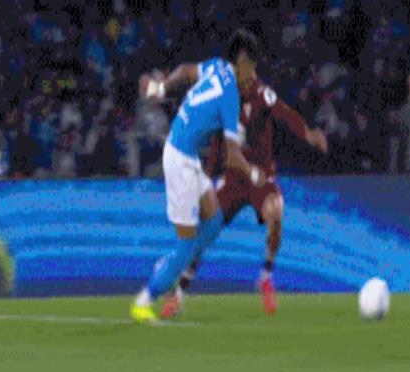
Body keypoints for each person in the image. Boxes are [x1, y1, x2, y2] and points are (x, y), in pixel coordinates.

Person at [161, 67, 328, 318]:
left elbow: (287, 116)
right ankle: (179, 294)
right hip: (233, 178)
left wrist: (310, 135)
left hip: (261, 176)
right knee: (204, 232)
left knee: (275, 210)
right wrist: (210, 176)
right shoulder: (223, 101)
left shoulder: (262, 94)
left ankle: (266, 277)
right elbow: (216, 141)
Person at [130, 29, 267, 323]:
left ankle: (170, 266)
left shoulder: (218, 67)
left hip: (188, 157)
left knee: (214, 220)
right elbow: (232, 156)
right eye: (252, 67)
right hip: (179, 161)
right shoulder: (230, 96)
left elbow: (186, 70)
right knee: (185, 245)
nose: (254, 75)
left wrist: (161, 88)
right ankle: (145, 299)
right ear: (242, 61)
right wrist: (253, 173)